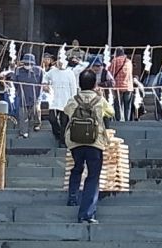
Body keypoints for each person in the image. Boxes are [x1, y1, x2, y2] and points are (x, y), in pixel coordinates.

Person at [64, 69, 115, 224]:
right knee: (93, 176)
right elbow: (111, 112)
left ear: (80, 83)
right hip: (95, 142)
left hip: (75, 141)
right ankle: (86, 213)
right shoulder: (99, 100)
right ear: (94, 84)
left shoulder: (73, 100)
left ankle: (72, 197)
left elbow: (66, 112)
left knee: (77, 167)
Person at [43, 55, 78, 147]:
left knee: (64, 123)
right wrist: (45, 85)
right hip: (54, 101)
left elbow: (74, 89)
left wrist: (73, 102)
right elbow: (45, 78)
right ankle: (57, 133)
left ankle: (62, 141)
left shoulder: (70, 73)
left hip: (66, 102)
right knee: (52, 119)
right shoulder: (52, 71)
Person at [12, 53, 44, 138]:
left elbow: (42, 83)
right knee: (23, 115)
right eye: (25, 63)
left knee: (36, 110)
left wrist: (39, 95)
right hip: (23, 96)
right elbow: (15, 83)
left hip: (35, 95)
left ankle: (37, 124)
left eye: (29, 63)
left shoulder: (39, 71)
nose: (27, 65)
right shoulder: (18, 70)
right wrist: (18, 91)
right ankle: (23, 132)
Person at [107, 48, 134, 121]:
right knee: (127, 105)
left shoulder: (115, 61)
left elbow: (110, 73)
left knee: (118, 104)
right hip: (128, 86)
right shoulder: (129, 61)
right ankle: (127, 120)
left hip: (117, 87)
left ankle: (118, 120)